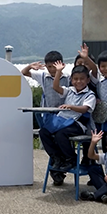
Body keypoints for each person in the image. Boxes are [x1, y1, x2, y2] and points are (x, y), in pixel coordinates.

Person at [38, 64, 96, 179]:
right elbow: (55, 87)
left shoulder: (90, 95)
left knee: (61, 134)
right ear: (71, 79)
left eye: (81, 79)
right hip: (62, 121)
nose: (78, 81)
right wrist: (58, 72)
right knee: (43, 132)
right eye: (75, 79)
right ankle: (57, 157)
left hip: (77, 124)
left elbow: (85, 109)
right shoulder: (70, 90)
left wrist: (70, 107)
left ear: (88, 80)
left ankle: (71, 158)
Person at [21, 50, 70, 185]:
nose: (52, 69)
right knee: (45, 135)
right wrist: (31, 66)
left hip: (64, 116)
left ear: (61, 64)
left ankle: (58, 169)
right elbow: (24, 73)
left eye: (54, 66)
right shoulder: (43, 76)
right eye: (49, 67)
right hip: (49, 116)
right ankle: (56, 165)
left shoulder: (68, 77)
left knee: (60, 139)